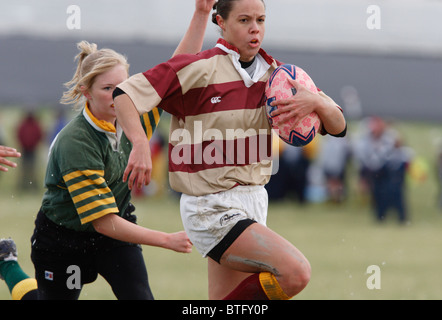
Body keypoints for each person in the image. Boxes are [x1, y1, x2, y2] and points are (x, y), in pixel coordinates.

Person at [114, 0, 347, 300]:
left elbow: (339, 126)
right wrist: (140, 144)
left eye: (261, 20)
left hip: (253, 202)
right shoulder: (199, 68)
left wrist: (317, 102)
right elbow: (125, 94)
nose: (255, 28)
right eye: (244, 20)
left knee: (225, 299)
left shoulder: (279, 78)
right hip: (210, 207)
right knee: (295, 271)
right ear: (221, 22)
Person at [0, 0, 218, 300]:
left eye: (124, 87)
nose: (119, 96)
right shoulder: (75, 142)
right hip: (64, 239)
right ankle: (8, 263)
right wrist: (165, 239)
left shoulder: (135, 113)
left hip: (116, 232)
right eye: (107, 89)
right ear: (86, 92)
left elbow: (175, 71)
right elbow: (102, 221)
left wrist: (202, 13)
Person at [16, 111, 43, 189]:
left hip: (31, 149)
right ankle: (25, 185)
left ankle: (31, 185)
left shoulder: (28, 124)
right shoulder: (34, 124)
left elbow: (39, 135)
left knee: (31, 168)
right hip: (26, 149)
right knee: (26, 168)